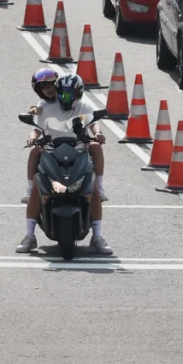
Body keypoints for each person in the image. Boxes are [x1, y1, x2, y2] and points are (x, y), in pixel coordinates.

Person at [17, 72, 111, 255]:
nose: (63, 98)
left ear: (78, 93)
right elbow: (37, 128)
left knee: (93, 190)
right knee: (38, 188)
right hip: (52, 154)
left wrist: (98, 133)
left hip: (78, 153)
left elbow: (93, 123)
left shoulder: (84, 106)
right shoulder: (47, 107)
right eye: (61, 93)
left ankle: (98, 237)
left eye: (68, 94)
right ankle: (29, 236)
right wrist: (31, 138)